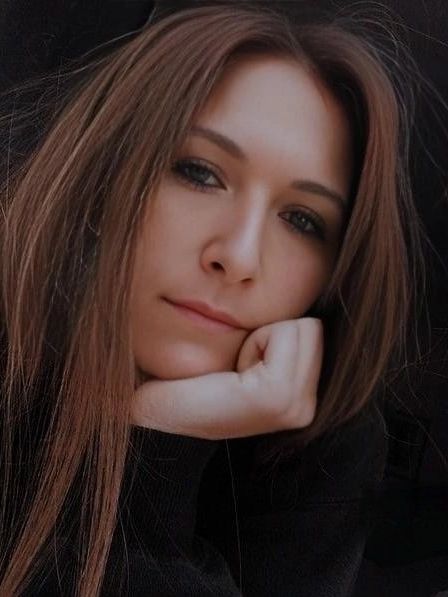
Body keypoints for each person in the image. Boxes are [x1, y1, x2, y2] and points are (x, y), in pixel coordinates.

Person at [0, 3, 423, 596]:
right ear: (104, 172)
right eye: (199, 173)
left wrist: (157, 436)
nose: (240, 257)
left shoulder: (323, 450)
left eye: (302, 219)